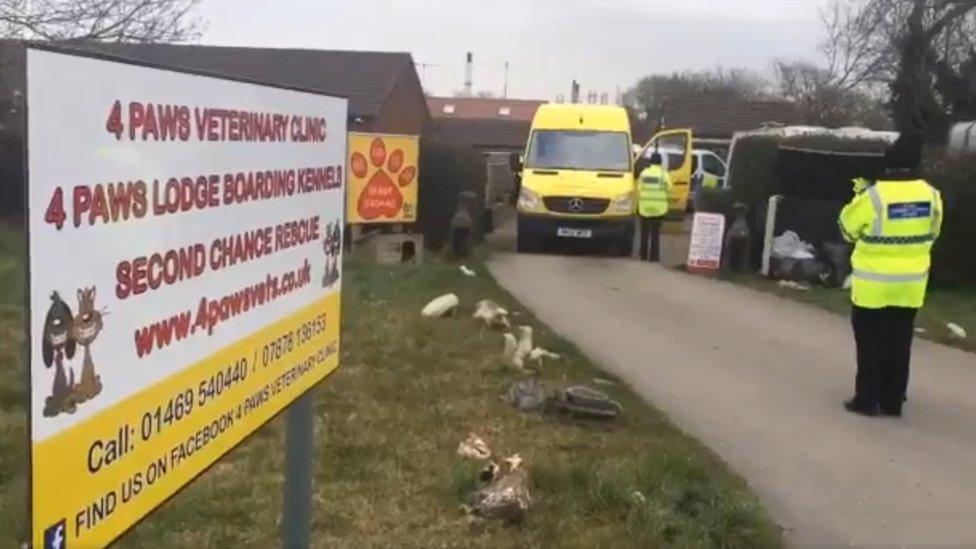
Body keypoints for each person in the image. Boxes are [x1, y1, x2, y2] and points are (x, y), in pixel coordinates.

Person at [838, 132, 943, 417]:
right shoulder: (932, 195)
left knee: (870, 343)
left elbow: (847, 229)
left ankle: (867, 400)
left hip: (873, 287)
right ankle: (893, 400)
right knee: (900, 342)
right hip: (910, 286)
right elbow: (933, 232)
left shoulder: (873, 197)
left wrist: (857, 197)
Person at [637, 152, 672, 262]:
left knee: (644, 233)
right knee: (655, 234)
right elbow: (669, 189)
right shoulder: (664, 175)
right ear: (660, 162)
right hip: (658, 208)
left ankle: (643, 255)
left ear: (650, 161)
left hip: (645, 207)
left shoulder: (644, 174)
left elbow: (639, 188)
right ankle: (654, 257)